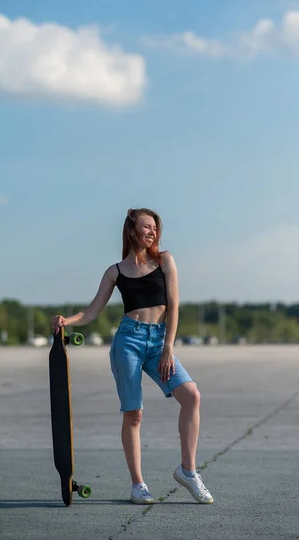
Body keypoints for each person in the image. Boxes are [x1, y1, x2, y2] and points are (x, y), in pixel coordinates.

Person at [52, 208, 213, 505]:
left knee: (192, 395)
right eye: (146, 227)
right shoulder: (115, 271)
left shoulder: (165, 261)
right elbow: (91, 312)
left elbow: (174, 307)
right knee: (133, 413)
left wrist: (168, 348)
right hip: (128, 341)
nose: (152, 232)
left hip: (158, 341)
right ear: (131, 231)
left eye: (154, 227)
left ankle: (188, 471)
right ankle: (138, 485)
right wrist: (67, 321)